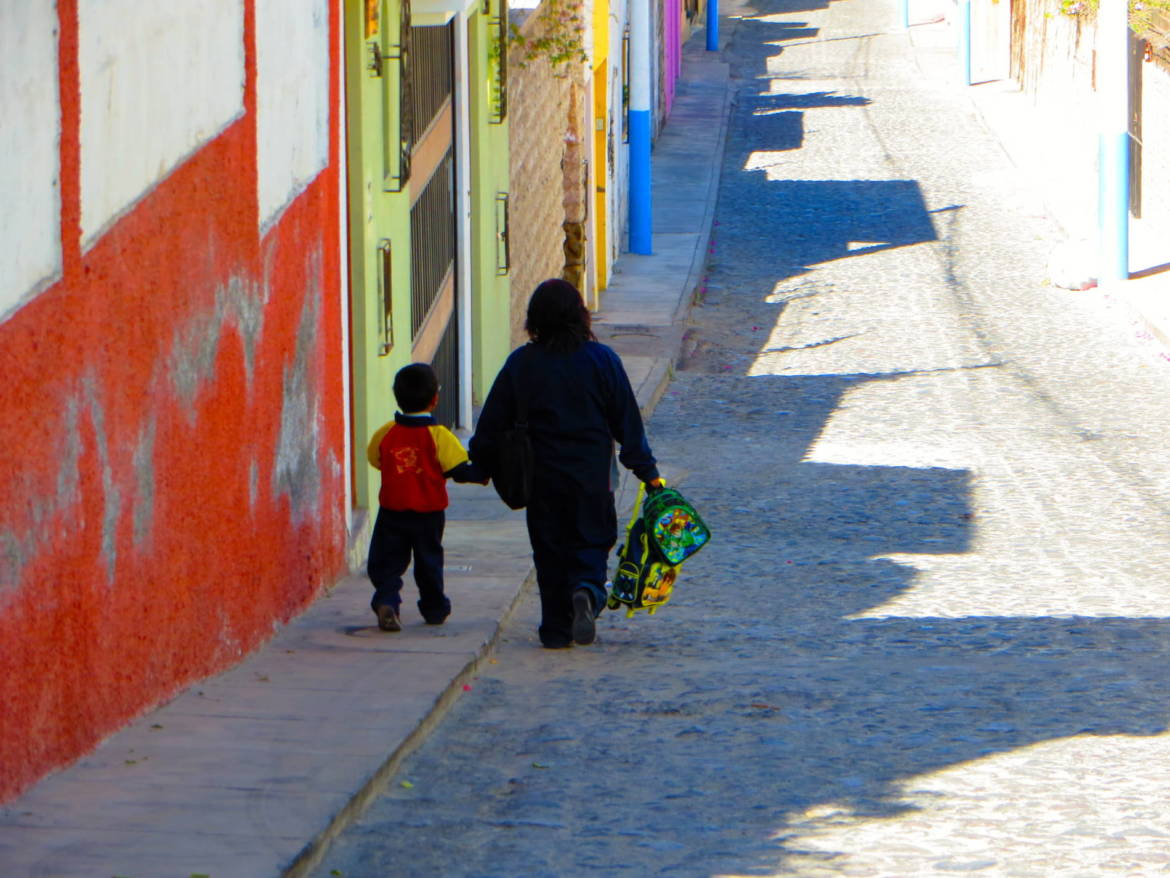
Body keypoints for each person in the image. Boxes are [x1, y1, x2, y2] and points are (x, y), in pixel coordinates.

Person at [470, 279, 664, 648]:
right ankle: (588, 592)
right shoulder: (602, 360)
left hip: (541, 477)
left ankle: (555, 629)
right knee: (592, 540)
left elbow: (492, 422)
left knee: (549, 549)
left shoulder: (521, 364)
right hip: (591, 475)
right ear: (579, 315)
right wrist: (648, 473)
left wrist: (479, 466)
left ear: (535, 319)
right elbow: (627, 421)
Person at [366, 363, 486, 632]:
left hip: (392, 511)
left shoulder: (386, 433)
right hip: (428, 515)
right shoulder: (439, 436)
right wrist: (483, 474)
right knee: (428, 561)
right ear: (435, 399)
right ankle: (434, 608)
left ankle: (387, 599)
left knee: (386, 562)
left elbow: (375, 458)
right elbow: (458, 470)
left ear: (397, 396)